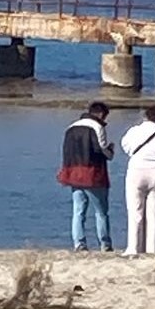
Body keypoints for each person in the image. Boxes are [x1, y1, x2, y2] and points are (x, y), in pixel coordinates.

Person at [57, 102, 116, 252]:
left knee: (78, 211)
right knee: (101, 212)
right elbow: (102, 150)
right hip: (93, 174)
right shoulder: (97, 127)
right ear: (101, 114)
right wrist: (111, 151)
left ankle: (79, 243)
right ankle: (105, 244)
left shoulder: (70, 128)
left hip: (74, 173)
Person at [120, 105, 155, 256]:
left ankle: (133, 248)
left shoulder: (134, 131)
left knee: (135, 212)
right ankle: (152, 249)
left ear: (145, 116)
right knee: (154, 213)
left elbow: (125, 146)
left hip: (136, 170)